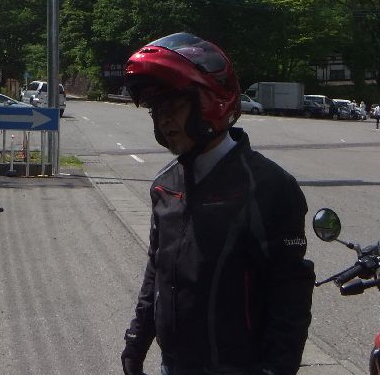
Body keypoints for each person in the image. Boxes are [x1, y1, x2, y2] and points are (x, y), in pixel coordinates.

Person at [119, 33, 314, 375]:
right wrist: (137, 340)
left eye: (174, 106)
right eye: (156, 109)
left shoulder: (269, 186)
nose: (164, 119)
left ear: (211, 103)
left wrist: (277, 369)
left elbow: (290, 294)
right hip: (173, 365)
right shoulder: (165, 185)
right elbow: (157, 271)